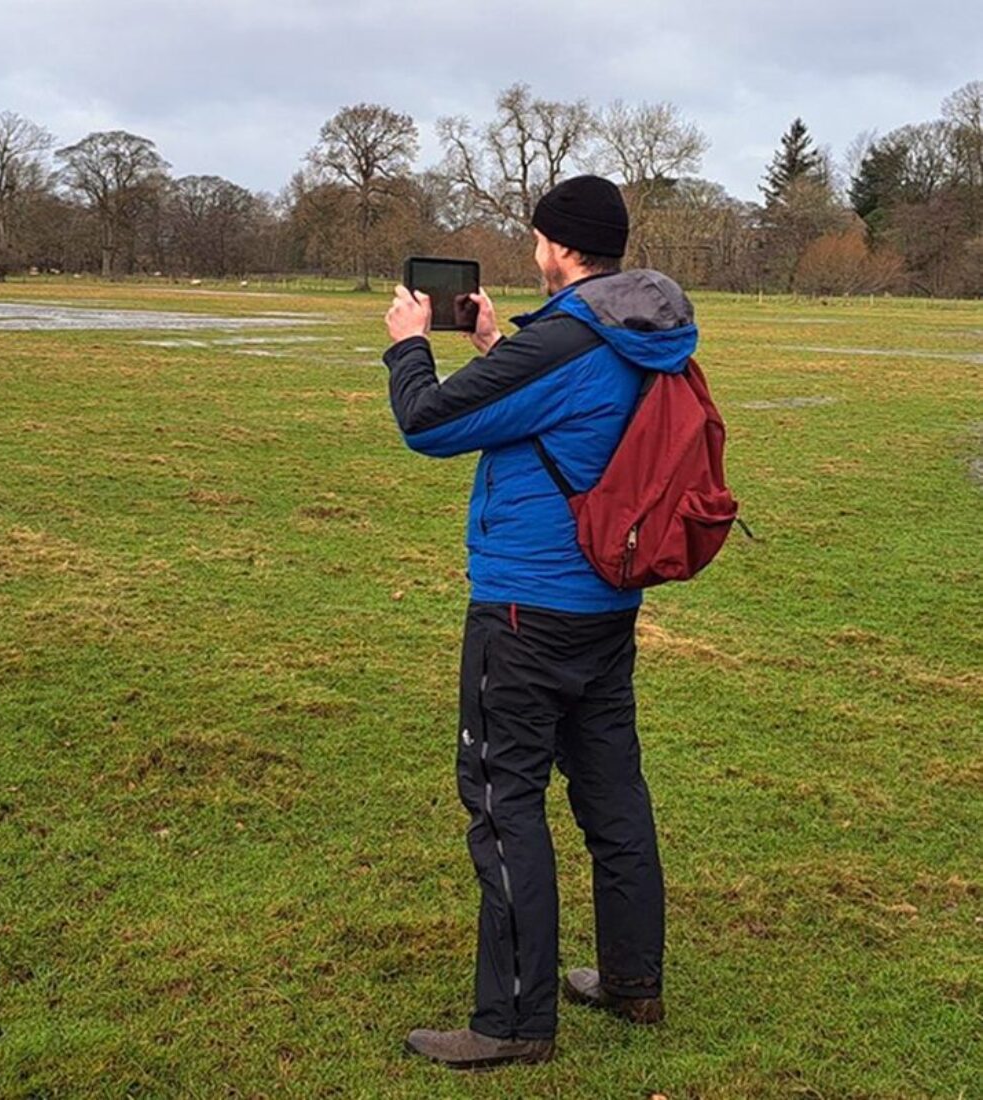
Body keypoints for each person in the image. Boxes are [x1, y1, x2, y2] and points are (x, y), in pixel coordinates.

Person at [382, 175, 698, 1070]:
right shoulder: (645, 332)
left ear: (554, 245)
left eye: (537, 237)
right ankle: (632, 978)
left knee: (502, 797)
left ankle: (513, 1023)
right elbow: (555, 405)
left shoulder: (565, 338)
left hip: (526, 606)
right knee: (611, 794)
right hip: (608, 599)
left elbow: (428, 423)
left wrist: (411, 346)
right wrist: (492, 342)